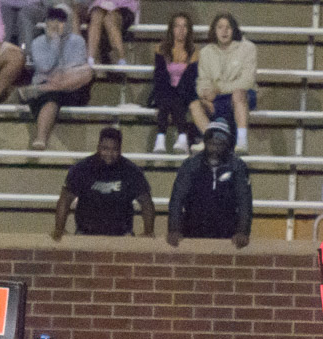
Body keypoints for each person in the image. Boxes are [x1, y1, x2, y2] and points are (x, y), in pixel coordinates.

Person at [53, 127, 154, 240]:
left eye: (114, 149)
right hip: (86, 235)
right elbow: (65, 199)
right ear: (98, 147)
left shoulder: (131, 171)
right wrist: (59, 229)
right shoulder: (82, 168)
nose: (109, 154)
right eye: (105, 148)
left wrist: (148, 231)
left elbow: (146, 202)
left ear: (120, 150)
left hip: (122, 236)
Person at [166, 120, 252, 249]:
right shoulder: (191, 165)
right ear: (205, 141)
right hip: (193, 229)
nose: (216, 144)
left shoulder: (237, 166)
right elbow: (177, 199)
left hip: (226, 232)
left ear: (228, 143)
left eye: (221, 141)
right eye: (211, 140)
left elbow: (244, 202)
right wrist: (174, 229)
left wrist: (242, 232)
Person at [19, 4, 91, 151]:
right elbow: (45, 67)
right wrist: (54, 42)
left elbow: (75, 70)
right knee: (51, 99)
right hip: (52, 88)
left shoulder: (77, 41)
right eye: (52, 20)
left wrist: (58, 77)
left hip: (69, 87)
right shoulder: (38, 43)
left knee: (87, 72)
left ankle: (40, 89)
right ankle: (40, 138)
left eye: (60, 20)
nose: (56, 24)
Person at [189, 13, 256, 153]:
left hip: (242, 94)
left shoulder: (248, 48)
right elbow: (203, 80)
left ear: (234, 30)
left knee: (238, 94)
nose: (224, 31)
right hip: (217, 97)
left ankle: (242, 141)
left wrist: (219, 89)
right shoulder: (206, 52)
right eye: (220, 27)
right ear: (214, 30)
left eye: (228, 27)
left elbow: (247, 81)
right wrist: (205, 93)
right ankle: (209, 138)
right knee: (195, 104)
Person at [151, 12, 199, 154]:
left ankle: (175, 137)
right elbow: (159, 75)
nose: (181, 30)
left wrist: (177, 90)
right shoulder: (161, 48)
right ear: (171, 29)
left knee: (176, 99)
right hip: (165, 89)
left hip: (185, 91)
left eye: (184, 26)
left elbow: (190, 78)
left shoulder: (194, 51)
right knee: (167, 98)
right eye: (177, 26)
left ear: (189, 30)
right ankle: (164, 138)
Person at [85, 0, 136, 66]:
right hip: (101, 6)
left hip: (123, 7)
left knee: (110, 19)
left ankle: (121, 58)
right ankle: (90, 59)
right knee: (96, 15)